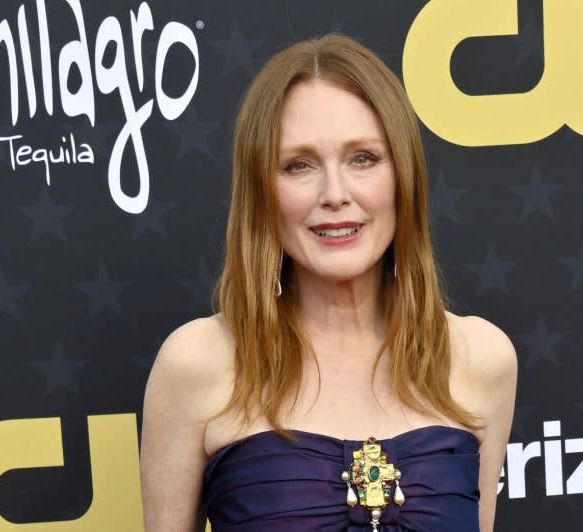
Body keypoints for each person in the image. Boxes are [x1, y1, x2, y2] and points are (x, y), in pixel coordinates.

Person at [140, 34, 517, 532]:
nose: (335, 194)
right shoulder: (196, 365)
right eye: (298, 165)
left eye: (362, 158)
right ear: (262, 192)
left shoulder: (482, 359)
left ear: (404, 175)